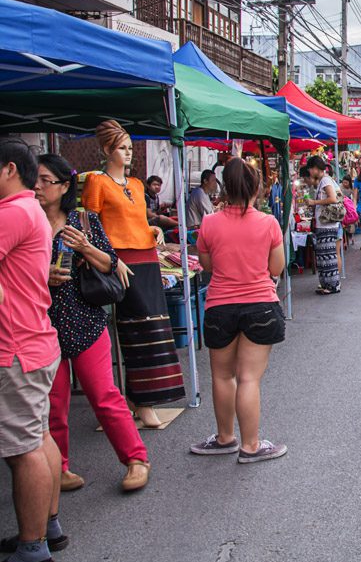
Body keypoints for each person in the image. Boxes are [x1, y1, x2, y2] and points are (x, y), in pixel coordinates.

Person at [35, 154, 149, 494]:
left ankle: (135, 459)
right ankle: (60, 467)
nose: (38, 187)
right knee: (53, 404)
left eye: (45, 180)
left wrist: (85, 247)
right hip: (42, 325)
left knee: (104, 396)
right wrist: (43, 276)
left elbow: (110, 263)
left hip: (84, 320)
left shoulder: (83, 220)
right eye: (35, 180)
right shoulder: (27, 221)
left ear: (64, 185)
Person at [83, 121, 184, 429]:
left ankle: (142, 401)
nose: (128, 154)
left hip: (147, 258)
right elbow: (90, 228)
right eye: (122, 148)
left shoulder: (137, 185)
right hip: (120, 261)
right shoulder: (96, 183)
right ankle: (141, 402)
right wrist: (111, 261)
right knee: (135, 328)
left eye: (129, 148)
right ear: (106, 150)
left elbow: (139, 221)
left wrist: (153, 229)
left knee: (156, 327)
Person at [191, 158, 287, 464]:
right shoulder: (269, 223)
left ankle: (224, 438)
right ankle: (251, 445)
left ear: (224, 188)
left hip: (220, 305)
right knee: (249, 378)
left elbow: (206, 266)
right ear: (257, 187)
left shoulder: (209, 223)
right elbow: (277, 267)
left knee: (222, 376)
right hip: (260, 304)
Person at [0, 139, 66, 562]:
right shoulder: (32, 212)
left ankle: (33, 544)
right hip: (35, 340)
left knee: (23, 447)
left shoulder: (12, 213)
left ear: (7, 170)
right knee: (37, 437)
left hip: (18, 346)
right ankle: (46, 525)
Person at [304, 156, 340, 294]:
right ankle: (326, 284)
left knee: (328, 255)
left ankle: (333, 285)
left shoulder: (325, 180)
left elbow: (333, 198)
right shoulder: (323, 181)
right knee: (323, 255)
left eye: (310, 169)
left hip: (328, 225)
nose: (310, 172)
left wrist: (314, 203)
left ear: (315, 168)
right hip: (324, 224)